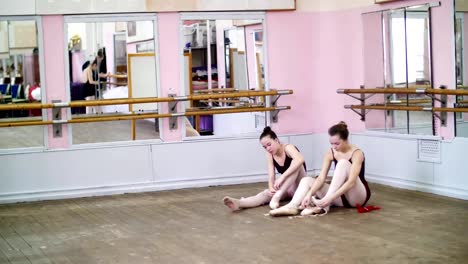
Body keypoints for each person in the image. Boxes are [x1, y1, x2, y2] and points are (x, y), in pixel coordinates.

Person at [269, 121, 371, 216]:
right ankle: (292, 206)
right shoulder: (330, 152)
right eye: (331, 143)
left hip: (357, 197)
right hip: (341, 197)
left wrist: (330, 198)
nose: (334, 146)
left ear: (346, 140)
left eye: (337, 143)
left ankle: (324, 204)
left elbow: (351, 182)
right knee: (306, 180)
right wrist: (309, 194)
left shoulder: (357, 153)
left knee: (343, 163)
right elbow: (321, 178)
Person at [223, 126, 307, 211]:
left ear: (276, 140)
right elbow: (271, 176)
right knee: (265, 194)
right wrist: (271, 188)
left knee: (296, 163)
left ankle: (277, 196)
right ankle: (240, 203)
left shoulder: (288, 147)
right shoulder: (270, 154)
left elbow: (300, 159)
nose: (268, 148)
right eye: (265, 147)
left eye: (269, 145)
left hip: (300, 186)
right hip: (287, 188)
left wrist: (282, 177)